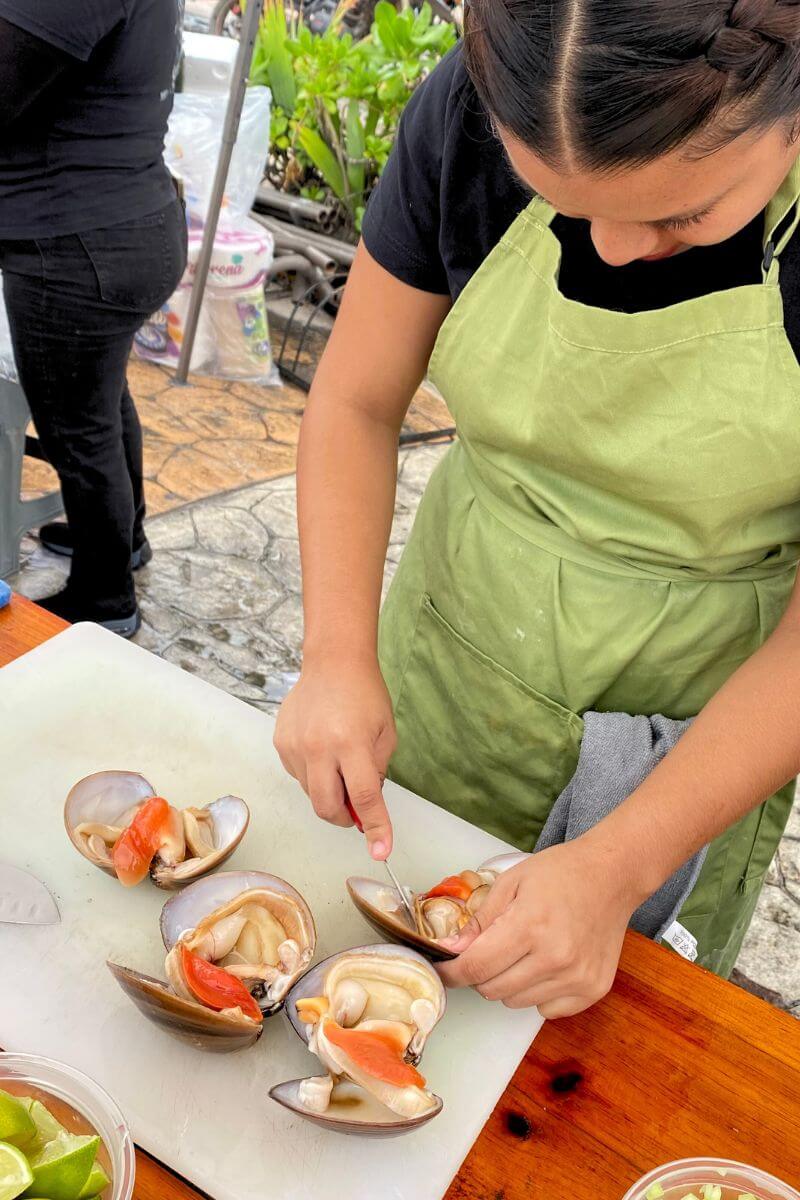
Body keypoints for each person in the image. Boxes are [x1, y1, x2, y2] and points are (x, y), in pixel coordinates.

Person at [275, 0, 800, 1019]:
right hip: (455, 644)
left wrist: (617, 866)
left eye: (678, 214)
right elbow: (353, 398)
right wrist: (334, 653)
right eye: (552, 198)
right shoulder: (466, 113)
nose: (606, 248)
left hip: (698, 718)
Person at [0, 0, 187, 636]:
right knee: (100, 406)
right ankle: (121, 540)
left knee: (77, 430)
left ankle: (104, 602)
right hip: (130, 221)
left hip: (75, 243)